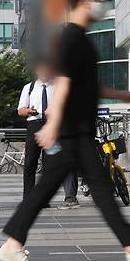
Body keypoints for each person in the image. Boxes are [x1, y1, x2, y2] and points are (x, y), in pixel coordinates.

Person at [0, 0, 130, 261]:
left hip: (77, 131)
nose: (101, 7)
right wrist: (52, 125)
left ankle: (14, 244)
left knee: (70, 188)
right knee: (88, 189)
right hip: (71, 132)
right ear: (86, 2)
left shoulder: (78, 40)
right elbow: (62, 84)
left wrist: (122, 94)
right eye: (99, 1)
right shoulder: (72, 39)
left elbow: (85, 86)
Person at [17, 61, 79, 209]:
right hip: (34, 126)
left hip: (52, 127)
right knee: (30, 162)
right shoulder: (29, 88)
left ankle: (61, 197)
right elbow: (20, 110)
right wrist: (29, 111)